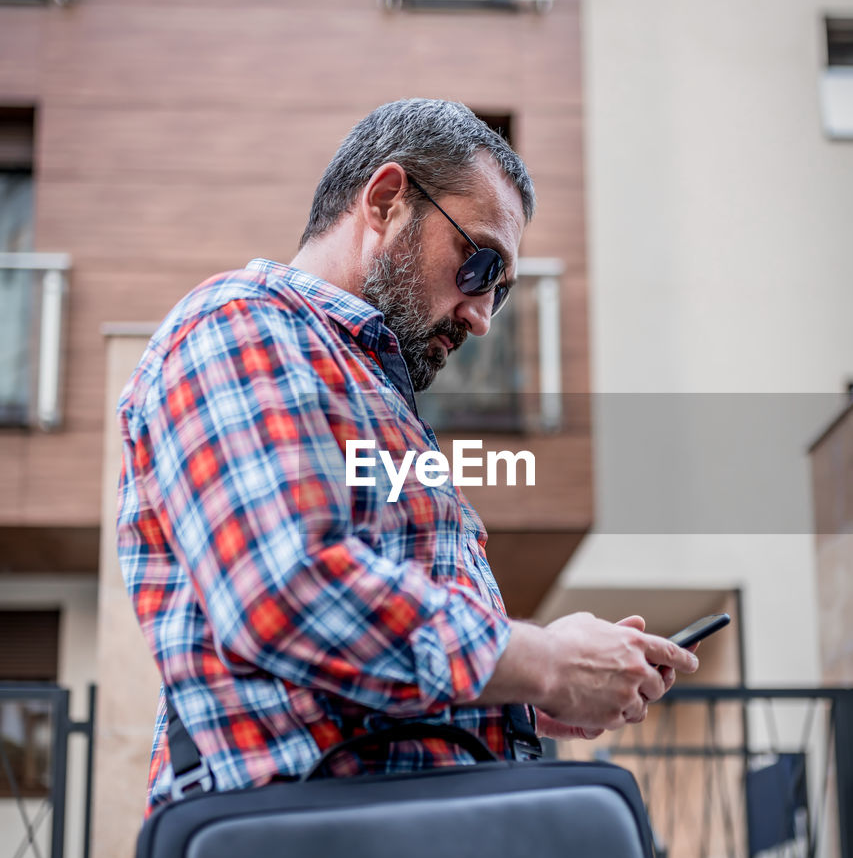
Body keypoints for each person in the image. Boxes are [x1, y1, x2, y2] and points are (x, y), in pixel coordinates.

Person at [116, 98, 698, 810]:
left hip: (380, 852)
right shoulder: (241, 325)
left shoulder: (364, 389)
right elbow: (289, 595)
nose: (481, 316)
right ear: (388, 201)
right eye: (480, 264)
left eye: (502, 293)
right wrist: (544, 661)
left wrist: (520, 702)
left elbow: (353, 660)